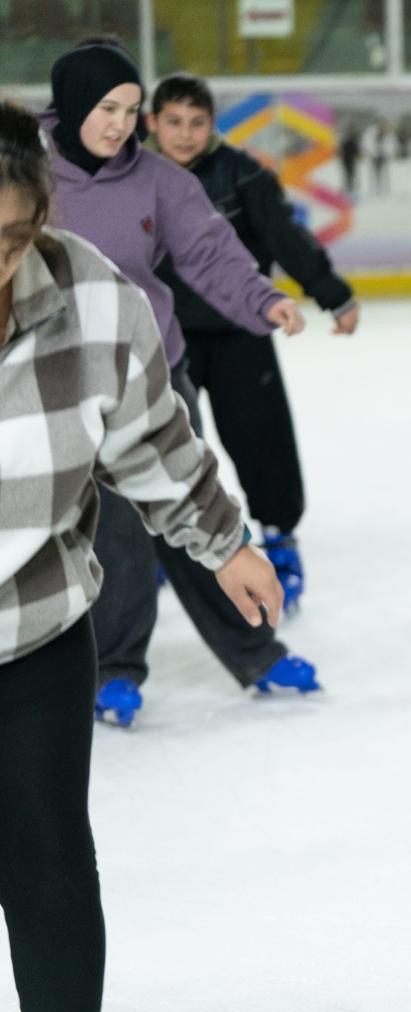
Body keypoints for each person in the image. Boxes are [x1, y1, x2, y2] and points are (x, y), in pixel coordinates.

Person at [0, 100, 283, 1012]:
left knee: (45, 851)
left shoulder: (89, 297)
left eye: (9, 237)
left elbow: (153, 442)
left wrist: (225, 541)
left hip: (34, 626)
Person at [41, 41, 319, 727]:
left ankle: (256, 650)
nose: (120, 126)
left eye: (133, 111)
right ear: (73, 103)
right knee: (115, 541)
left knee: (198, 510)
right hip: (64, 386)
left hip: (153, 375)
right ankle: (116, 670)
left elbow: (209, 251)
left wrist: (262, 300)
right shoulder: (25, 170)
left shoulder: (159, 181)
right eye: (107, 109)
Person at [146, 72, 361, 613]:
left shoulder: (241, 176)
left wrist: (332, 294)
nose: (186, 134)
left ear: (212, 125)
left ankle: (279, 537)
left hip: (241, 335)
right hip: (164, 338)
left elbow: (286, 237)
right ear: (152, 123)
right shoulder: (134, 178)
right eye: (174, 122)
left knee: (262, 441)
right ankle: (157, 552)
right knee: (164, 446)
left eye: (197, 123)